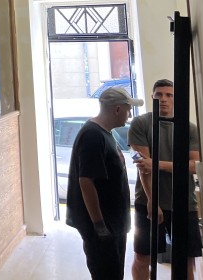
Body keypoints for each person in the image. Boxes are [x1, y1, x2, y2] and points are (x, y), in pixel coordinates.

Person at [66, 86, 144, 280]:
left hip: (113, 223)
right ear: (117, 109)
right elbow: (86, 182)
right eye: (128, 109)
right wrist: (99, 225)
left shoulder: (106, 132)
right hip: (104, 227)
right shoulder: (92, 136)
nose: (129, 115)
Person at [128, 79, 201, 280]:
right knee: (142, 257)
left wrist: (157, 164)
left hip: (183, 203)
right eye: (159, 94)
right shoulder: (141, 123)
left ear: (176, 99)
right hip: (148, 201)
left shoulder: (189, 128)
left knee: (185, 260)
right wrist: (153, 201)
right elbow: (143, 166)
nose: (164, 99)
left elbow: (195, 166)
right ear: (152, 97)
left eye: (169, 95)